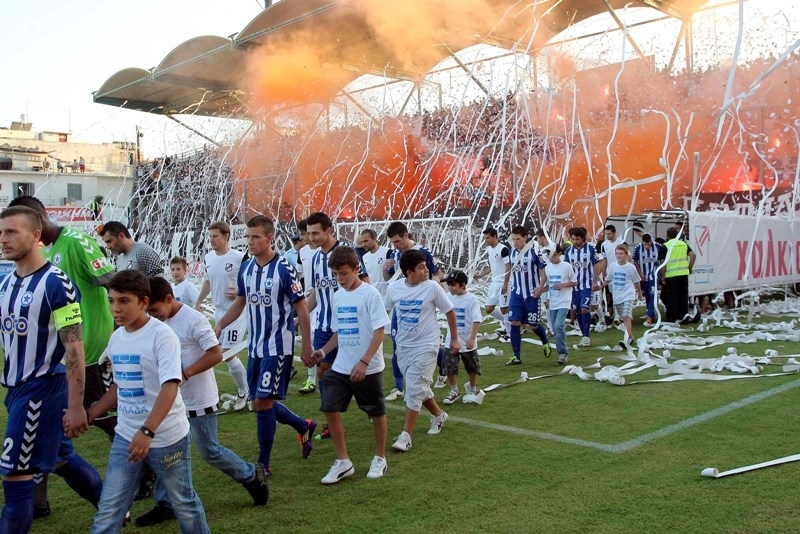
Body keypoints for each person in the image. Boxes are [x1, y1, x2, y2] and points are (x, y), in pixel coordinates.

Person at [7, 195, 117, 516]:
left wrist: (130, 325)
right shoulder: (42, 256)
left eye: (14, 230)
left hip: (90, 350)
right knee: (51, 437)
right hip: (53, 362)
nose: (5, 238)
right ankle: (38, 502)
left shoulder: (76, 241)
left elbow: (110, 279)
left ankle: (144, 469)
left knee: (104, 417)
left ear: (37, 222)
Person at [134, 278, 268, 526]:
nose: (152, 315)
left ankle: (250, 475)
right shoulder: (155, 324)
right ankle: (166, 503)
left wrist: (185, 374)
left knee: (210, 452)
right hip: (169, 402)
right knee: (165, 450)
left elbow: (216, 353)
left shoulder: (193, 319)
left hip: (199, 399)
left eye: (154, 309)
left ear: (168, 299)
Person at [88, 270, 210, 534]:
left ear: (143, 303)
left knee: (183, 503)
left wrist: (147, 431)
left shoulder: (162, 336)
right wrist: (92, 412)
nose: (115, 308)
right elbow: (120, 384)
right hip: (126, 437)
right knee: (109, 509)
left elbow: (170, 385)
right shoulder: (117, 337)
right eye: (111, 300)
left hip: (166, 438)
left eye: (123, 301)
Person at [214, 215, 316, 476]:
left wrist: (305, 346)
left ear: (269, 238)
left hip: (278, 347)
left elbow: (302, 309)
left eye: (255, 237)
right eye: (248, 236)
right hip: (256, 348)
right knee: (259, 403)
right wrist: (219, 325)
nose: (250, 241)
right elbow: (240, 302)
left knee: (261, 401)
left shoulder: (283, 267)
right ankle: (303, 426)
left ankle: (264, 463)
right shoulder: (247, 268)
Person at [309, 247, 390, 484]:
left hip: (368, 367)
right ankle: (344, 462)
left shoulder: (370, 294)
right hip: (342, 366)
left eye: (343, 273)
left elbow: (379, 331)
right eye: (335, 274)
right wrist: (323, 351)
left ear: (357, 269)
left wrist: (365, 362)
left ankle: (380, 458)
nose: (339, 279)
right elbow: (338, 331)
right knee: (329, 407)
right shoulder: (337, 295)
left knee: (376, 413)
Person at [384, 250, 459, 452]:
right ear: (409, 272)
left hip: (427, 344)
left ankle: (405, 436)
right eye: (421, 267)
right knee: (419, 386)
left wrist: (455, 338)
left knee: (414, 388)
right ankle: (439, 415)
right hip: (403, 347)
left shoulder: (433, 287)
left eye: (426, 266)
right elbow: (387, 310)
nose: (426, 270)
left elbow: (449, 311)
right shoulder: (394, 288)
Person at [304, 212, 369, 398]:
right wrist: (301, 316)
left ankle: (370, 405)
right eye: (309, 233)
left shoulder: (347, 252)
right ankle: (330, 415)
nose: (311, 238)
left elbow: (364, 281)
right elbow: (318, 291)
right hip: (324, 325)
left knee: (358, 373)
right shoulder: (315, 258)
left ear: (329, 230)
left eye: (315, 233)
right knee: (323, 370)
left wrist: (366, 312)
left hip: (349, 324)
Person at [193, 221, 251, 411]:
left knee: (227, 352)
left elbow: (251, 281)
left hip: (237, 310)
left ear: (226, 236)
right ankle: (246, 390)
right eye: (210, 236)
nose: (212, 240)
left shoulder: (240, 257)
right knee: (220, 352)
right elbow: (208, 281)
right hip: (219, 311)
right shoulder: (208, 257)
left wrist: (240, 293)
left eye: (215, 236)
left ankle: (245, 391)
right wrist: (199, 301)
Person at [383, 221, 443, 401]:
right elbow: (389, 278)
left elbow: (437, 274)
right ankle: (398, 386)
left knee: (426, 345)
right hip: (401, 308)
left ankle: (445, 364)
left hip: (421, 307)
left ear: (406, 236)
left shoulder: (422, 252)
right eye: (392, 242)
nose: (395, 245)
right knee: (397, 345)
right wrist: (385, 268)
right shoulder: (394, 254)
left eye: (397, 241)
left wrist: (436, 286)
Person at [505, 226, 551, 365]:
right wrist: (506, 283)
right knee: (514, 322)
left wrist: (540, 287)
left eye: (518, 239)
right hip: (517, 293)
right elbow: (509, 269)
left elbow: (543, 270)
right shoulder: (512, 253)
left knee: (533, 325)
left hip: (531, 294)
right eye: (513, 239)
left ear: (525, 238)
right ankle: (517, 356)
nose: (515, 242)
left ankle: (545, 341)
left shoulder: (534, 252)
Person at [442, 271, 484, 406]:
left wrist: (472, 338)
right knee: (449, 366)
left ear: (463, 285)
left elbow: (477, 320)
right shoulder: (447, 297)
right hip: (451, 340)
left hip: (467, 340)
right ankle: (454, 390)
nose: (450, 287)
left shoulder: (472, 300)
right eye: (448, 284)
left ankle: (472, 389)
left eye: (453, 284)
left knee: (471, 367)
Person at [564, 227, 602, 347]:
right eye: (573, 239)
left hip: (587, 285)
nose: (575, 241)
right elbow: (566, 268)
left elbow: (597, 265)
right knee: (578, 310)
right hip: (574, 287)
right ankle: (583, 334)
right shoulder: (569, 251)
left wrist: (595, 281)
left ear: (583, 238)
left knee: (585, 308)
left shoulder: (591, 248)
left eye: (577, 239)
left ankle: (586, 336)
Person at [472, 228, 511, 341]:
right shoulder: (489, 250)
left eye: (488, 238)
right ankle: (509, 324)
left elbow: (508, 266)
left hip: (504, 282)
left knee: (504, 309)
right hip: (494, 283)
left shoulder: (503, 249)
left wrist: (505, 283)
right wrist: (480, 275)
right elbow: (492, 267)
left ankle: (510, 334)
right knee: (488, 308)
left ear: (495, 236)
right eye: (485, 238)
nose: (486, 240)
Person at [296, 219, 319, 395]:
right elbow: (298, 276)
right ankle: (311, 379)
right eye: (303, 234)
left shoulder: (324, 250)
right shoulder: (302, 252)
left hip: (326, 300)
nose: (304, 237)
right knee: (310, 338)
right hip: (309, 300)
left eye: (306, 233)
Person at [542, 246, 577, 364]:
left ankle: (563, 352)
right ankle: (562, 352)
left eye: (553, 255)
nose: (551, 258)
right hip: (553, 301)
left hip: (565, 300)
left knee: (558, 326)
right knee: (555, 329)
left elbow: (574, 281)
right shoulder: (548, 268)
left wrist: (562, 285)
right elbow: (549, 284)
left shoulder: (566, 266)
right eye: (549, 256)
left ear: (559, 254)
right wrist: (543, 295)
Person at [603, 245, 642, 349]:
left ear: (625, 254)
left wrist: (639, 293)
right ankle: (631, 336)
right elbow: (608, 279)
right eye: (617, 253)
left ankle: (628, 338)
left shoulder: (631, 267)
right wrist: (600, 286)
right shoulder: (612, 266)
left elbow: (636, 281)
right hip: (617, 296)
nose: (619, 256)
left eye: (621, 253)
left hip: (628, 295)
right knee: (623, 318)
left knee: (626, 315)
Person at [659, 226, 696, 324]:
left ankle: (672, 318)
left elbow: (663, 262)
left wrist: (663, 276)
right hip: (683, 274)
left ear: (667, 236)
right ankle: (683, 316)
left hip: (671, 275)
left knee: (671, 297)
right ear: (677, 235)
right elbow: (693, 255)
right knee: (683, 296)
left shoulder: (665, 246)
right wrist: (689, 267)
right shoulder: (683, 244)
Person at [633, 233, 663, 325]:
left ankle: (650, 316)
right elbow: (635, 261)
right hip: (642, 276)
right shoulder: (637, 248)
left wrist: (662, 274)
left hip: (653, 275)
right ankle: (651, 313)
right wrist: (640, 274)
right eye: (645, 244)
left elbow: (662, 260)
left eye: (648, 244)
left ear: (651, 241)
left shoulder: (658, 246)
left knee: (652, 294)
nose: (646, 246)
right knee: (647, 294)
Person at [600, 224, 625, 323]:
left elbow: (628, 257)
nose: (608, 236)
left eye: (609, 234)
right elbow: (604, 259)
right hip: (609, 273)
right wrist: (603, 272)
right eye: (606, 234)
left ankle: (620, 316)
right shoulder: (604, 245)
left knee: (620, 295)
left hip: (620, 273)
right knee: (609, 296)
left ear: (614, 233)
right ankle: (610, 315)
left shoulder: (622, 242)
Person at [359, 228, 389, 297]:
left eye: (366, 241)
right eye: (362, 242)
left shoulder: (387, 252)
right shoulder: (365, 257)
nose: (364, 244)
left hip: (387, 295)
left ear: (374, 238)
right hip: (374, 296)